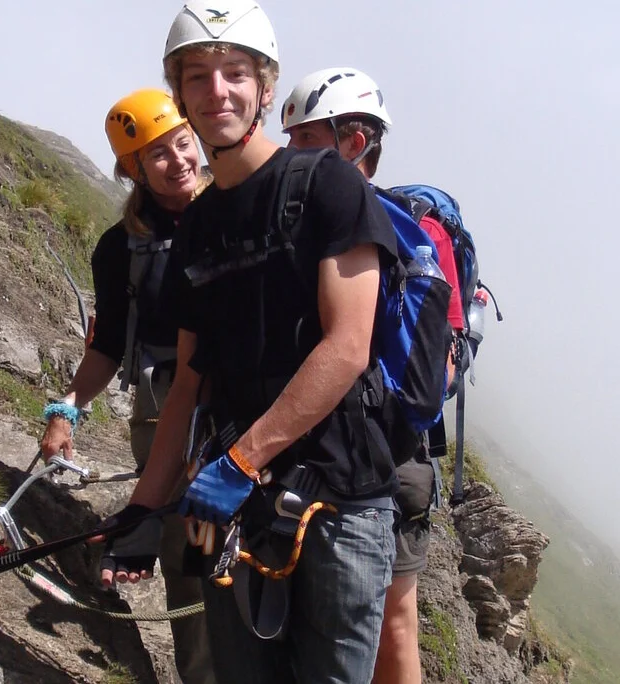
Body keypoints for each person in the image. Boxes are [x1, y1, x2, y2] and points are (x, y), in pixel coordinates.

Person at [95, 1, 402, 681]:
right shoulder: (197, 225)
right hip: (219, 497)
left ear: (267, 88)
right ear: (179, 96)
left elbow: (347, 347)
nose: (217, 91)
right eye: (197, 77)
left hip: (338, 501)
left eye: (236, 73)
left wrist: (237, 463)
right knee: (226, 673)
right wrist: (145, 509)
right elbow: (188, 384)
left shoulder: (329, 185)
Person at [282, 67, 467, 684]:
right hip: (368, 453)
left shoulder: (394, 230)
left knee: (392, 620)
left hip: (381, 458)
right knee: (390, 620)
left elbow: (432, 363)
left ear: (354, 140)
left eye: (306, 139)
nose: (291, 154)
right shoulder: (351, 225)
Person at [39, 88, 216, 684]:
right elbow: (109, 344)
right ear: (131, 169)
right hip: (167, 410)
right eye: (157, 155)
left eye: (182, 143)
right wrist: (67, 409)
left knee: (250, 553)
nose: (179, 161)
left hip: (240, 403)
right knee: (193, 557)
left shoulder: (237, 211)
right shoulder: (120, 250)